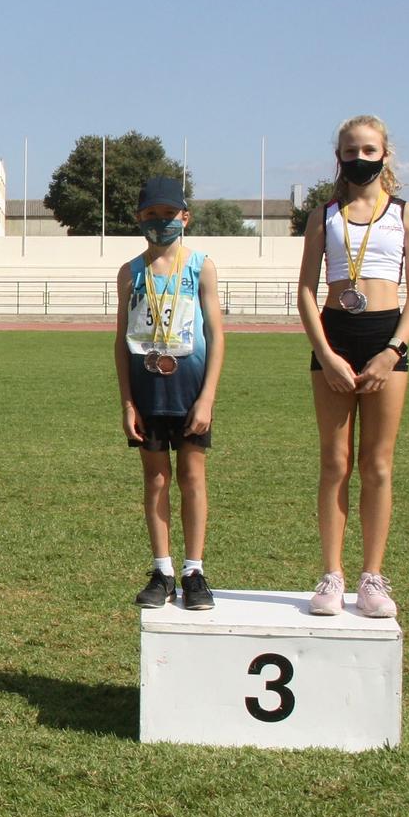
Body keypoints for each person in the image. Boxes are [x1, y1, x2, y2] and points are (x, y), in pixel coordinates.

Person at [296, 115, 409, 617]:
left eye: (369, 150)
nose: (360, 159)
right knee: (335, 462)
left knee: (377, 464)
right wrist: (326, 353)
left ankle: (373, 577)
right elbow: (307, 291)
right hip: (335, 337)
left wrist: (392, 350)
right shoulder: (322, 216)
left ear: (385, 155)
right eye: (351, 151)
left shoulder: (406, 215)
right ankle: (332, 575)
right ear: (339, 157)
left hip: (385, 338)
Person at [116, 176, 223, 609]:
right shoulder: (130, 271)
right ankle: (161, 570)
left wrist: (208, 397)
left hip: (190, 390)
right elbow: (120, 340)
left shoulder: (201, 266)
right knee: (156, 479)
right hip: (146, 393)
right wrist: (127, 402)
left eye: (168, 215)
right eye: (151, 215)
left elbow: (216, 334)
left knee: (193, 478)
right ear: (139, 218)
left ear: (185, 216)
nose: (160, 223)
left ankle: (194, 570)